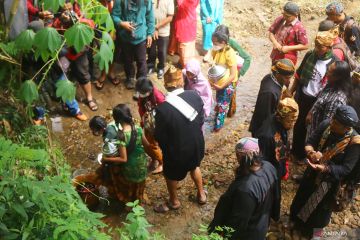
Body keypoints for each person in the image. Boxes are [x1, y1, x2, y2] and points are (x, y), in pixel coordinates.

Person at [290, 105, 360, 238]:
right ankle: (295, 221)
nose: (332, 123)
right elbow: (310, 142)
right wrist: (311, 152)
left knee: (320, 212)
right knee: (301, 198)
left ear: (346, 128)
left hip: (330, 182)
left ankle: (312, 233)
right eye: (333, 119)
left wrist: (325, 168)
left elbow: (346, 169)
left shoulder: (354, 143)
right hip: (312, 172)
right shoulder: (326, 125)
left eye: (337, 123)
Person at [153, 66, 207, 212]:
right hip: (197, 145)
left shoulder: (162, 109)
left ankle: (174, 201)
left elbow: (160, 137)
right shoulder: (194, 95)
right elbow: (201, 119)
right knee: (195, 166)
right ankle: (201, 194)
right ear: (182, 82)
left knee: (170, 174)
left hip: (177, 152)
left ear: (165, 85)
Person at [208, 137, 280, 240]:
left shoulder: (245, 189)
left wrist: (226, 236)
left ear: (239, 156)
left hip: (250, 233)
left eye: (237, 155)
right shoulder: (269, 167)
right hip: (262, 220)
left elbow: (238, 222)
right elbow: (277, 196)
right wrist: (275, 216)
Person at [289, 31, 338, 163]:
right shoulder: (310, 55)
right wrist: (291, 91)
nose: (317, 49)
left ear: (329, 47)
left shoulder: (334, 63)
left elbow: (332, 87)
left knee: (312, 128)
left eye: (320, 47)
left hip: (317, 101)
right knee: (299, 125)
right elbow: (299, 75)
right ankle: (296, 153)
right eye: (316, 45)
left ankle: (309, 155)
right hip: (303, 95)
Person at [88, 104, 150, 204]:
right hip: (142, 164)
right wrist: (154, 160)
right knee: (139, 183)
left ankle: (129, 202)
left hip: (130, 167)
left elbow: (123, 159)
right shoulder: (137, 128)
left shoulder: (121, 136)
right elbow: (147, 146)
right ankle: (140, 197)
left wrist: (105, 159)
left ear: (116, 118)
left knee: (122, 180)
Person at [51, 2, 98, 111]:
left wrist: (77, 20)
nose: (67, 8)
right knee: (62, 75)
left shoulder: (78, 6)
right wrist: (60, 22)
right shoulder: (56, 11)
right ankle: (66, 100)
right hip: (63, 52)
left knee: (83, 73)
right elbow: (50, 28)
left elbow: (91, 23)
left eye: (69, 6)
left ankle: (89, 98)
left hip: (78, 52)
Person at [112, 0, 155, 89]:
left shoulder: (147, 1)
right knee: (127, 60)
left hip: (141, 36)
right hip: (125, 37)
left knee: (142, 61)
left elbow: (150, 17)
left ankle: (141, 84)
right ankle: (130, 77)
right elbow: (114, 15)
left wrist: (150, 33)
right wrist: (121, 23)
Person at [249, 58, 295, 138]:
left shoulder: (269, 77)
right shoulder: (269, 92)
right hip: (263, 130)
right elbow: (266, 116)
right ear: (277, 74)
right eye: (287, 78)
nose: (289, 81)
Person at [258, 97, 299, 181]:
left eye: (295, 121)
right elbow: (263, 162)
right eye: (289, 121)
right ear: (280, 117)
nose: (292, 124)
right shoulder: (267, 136)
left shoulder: (280, 124)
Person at [307, 61, 351, 135]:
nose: (326, 72)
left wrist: (313, 141)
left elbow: (326, 127)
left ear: (337, 77)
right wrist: (311, 112)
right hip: (311, 128)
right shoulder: (330, 84)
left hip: (315, 136)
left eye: (329, 71)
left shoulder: (336, 100)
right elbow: (320, 99)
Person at [210, 25, 237, 132]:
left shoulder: (230, 53)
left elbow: (233, 75)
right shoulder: (216, 50)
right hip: (220, 81)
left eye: (215, 43)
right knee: (219, 101)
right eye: (213, 43)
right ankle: (218, 118)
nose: (213, 45)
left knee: (222, 107)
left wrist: (221, 86)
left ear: (224, 42)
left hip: (228, 83)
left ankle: (217, 129)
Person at [135, 78, 165, 174]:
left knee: (154, 145)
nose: (140, 95)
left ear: (149, 90)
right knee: (148, 143)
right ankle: (154, 158)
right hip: (148, 122)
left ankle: (162, 163)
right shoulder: (142, 95)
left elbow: (165, 113)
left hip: (158, 124)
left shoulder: (158, 97)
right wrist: (143, 122)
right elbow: (141, 108)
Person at [147, 0, 174, 79]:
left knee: (162, 52)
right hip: (151, 30)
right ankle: (151, 66)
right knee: (151, 50)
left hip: (163, 31)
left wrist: (156, 27)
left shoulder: (169, 1)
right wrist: (152, 28)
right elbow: (147, 13)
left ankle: (161, 68)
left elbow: (170, 17)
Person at [170, 0, 199, 67]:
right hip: (190, 22)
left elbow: (180, 4)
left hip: (185, 27)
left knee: (184, 50)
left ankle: (186, 68)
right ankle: (183, 62)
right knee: (187, 49)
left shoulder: (185, 3)